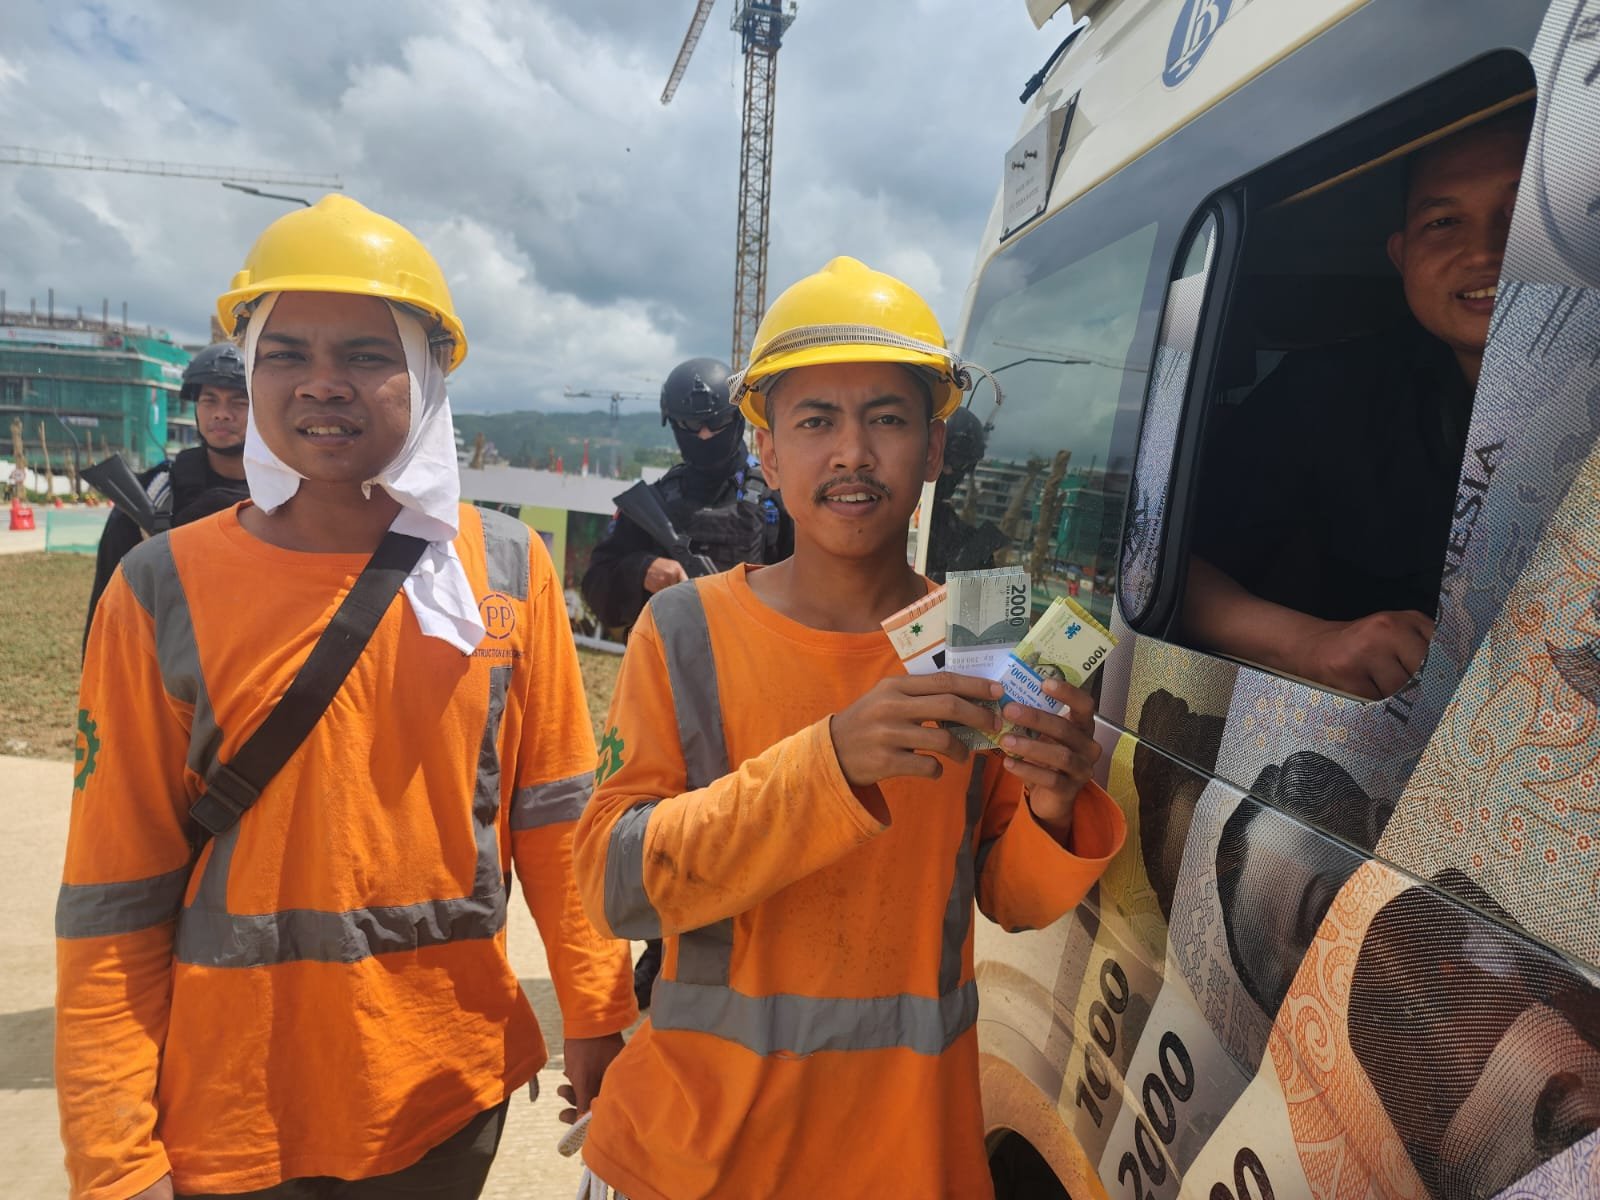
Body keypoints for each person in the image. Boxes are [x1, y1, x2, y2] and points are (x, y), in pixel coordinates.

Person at [56, 195, 634, 1200]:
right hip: (231, 1113)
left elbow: (554, 817)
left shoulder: (506, 568)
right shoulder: (163, 587)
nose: (324, 384)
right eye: (285, 355)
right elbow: (115, 890)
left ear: (426, 373)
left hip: (447, 1100)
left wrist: (594, 1010)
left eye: (366, 354)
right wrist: (113, 1156)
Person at [571, 256, 1126, 1198]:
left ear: (936, 452)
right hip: (698, 1158)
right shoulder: (688, 630)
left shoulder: (981, 642)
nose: (853, 454)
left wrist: (1052, 805)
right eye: (816, 421)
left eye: (889, 419)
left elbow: (1010, 899)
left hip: (907, 1157)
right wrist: (828, 765)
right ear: (770, 455)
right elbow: (615, 885)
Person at [1185, 112, 1529, 699]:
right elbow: (1168, 568)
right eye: (1444, 221)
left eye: (1520, 213)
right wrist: (1312, 644)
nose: (1486, 251)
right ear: (1401, 257)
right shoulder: (1331, 390)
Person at [580, 357, 792, 635]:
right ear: (673, 424)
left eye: (717, 422)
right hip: (667, 666)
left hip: (757, 660)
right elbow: (596, 586)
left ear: (738, 417)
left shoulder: (777, 498)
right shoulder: (654, 503)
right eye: (691, 425)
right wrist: (642, 569)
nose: (704, 435)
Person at [83, 343, 252, 646]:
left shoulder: (287, 495)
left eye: (239, 403)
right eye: (209, 400)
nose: (222, 414)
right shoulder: (154, 495)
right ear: (196, 407)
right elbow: (109, 602)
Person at [923, 404, 1008, 581]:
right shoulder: (897, 515)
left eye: (962, 466)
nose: (949, 471)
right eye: (948, 460)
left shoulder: (957, 532)